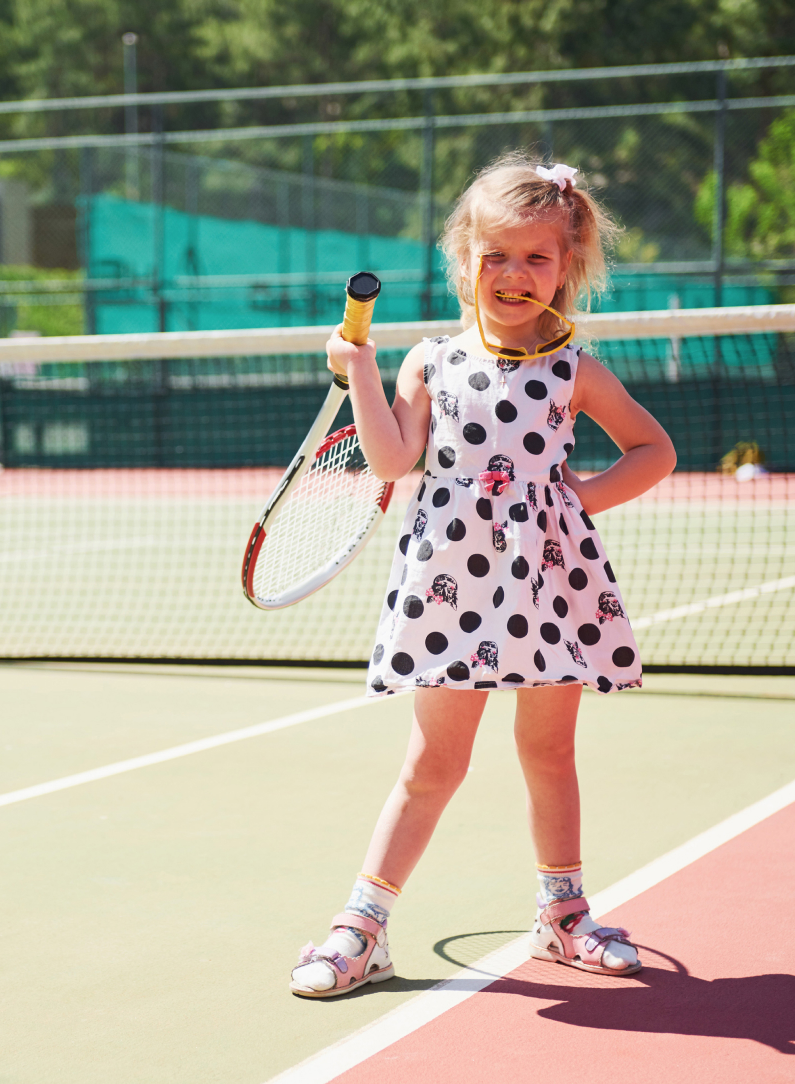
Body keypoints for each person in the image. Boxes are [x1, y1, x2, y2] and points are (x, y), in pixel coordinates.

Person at [290, 153, 677, 998]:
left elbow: (656, 450)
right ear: (463, 257)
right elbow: (392, 459)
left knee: (548, 751)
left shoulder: (576, 370)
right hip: (450, 587)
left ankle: (562, 917)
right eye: (495, 254)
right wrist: (359, 368)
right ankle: (361, 929)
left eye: (536, 256)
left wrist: (580, 500)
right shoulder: (428, 362)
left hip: (552, 587)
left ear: (566, 266)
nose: (513, 273)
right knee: (435, 764)